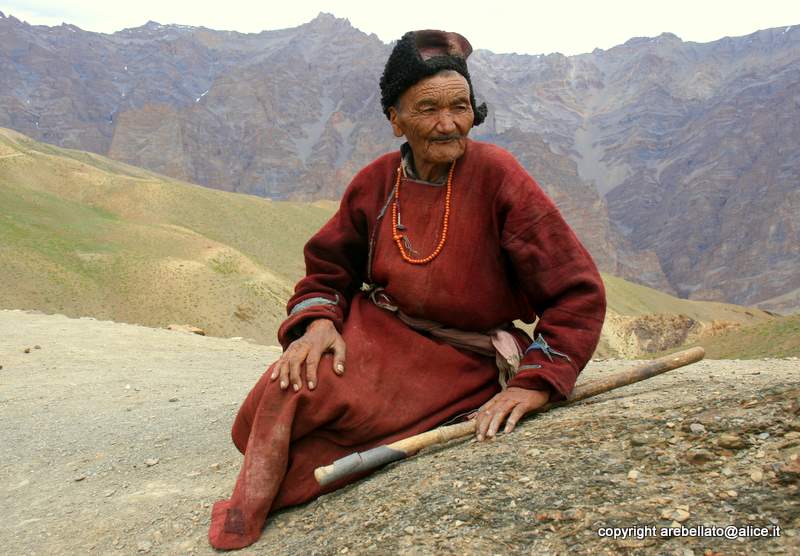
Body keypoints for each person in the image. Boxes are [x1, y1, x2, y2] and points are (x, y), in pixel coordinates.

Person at [208, 29, 606, 550]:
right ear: (395, 118)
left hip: (457, 356)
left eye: (460, 106)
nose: (447, 124)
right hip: (379, 331)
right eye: (427, 109)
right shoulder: (377, 181)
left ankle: (263, 504)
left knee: (308, 448)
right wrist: (320, 323)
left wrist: (534, 382)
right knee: (286, 389)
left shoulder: (498, 175)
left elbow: (577, 291)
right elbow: (328, 268)